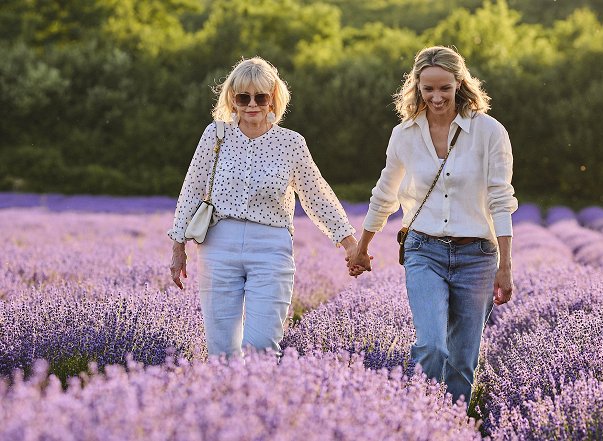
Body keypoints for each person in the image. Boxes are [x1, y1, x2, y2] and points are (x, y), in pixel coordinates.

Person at [347, 46, 518, 406]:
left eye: (445, 88)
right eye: (429, 89)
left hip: (477, 255)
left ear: (460, 84)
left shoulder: (489, 132)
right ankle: (421, 419)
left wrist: (505, 266)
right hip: (424, 250)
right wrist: (362, 246)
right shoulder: (405, 134)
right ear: (417, 87)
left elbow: (501, 200)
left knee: (462, 360)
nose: (437, 97)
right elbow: (384, 194)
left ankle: (451, 424)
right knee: (431, 345)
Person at [168, 57, 358, 358]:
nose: (252, 104)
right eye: (243, 97)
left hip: (271, 248)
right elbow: (192, 189)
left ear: (273, 98)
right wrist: (178, 248)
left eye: (261, 96)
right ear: (232, 99)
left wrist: (349, 244)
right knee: (221, 351)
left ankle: (260, 402)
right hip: (218, 246)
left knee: (262, 348)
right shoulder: (215, 135)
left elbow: (317, 195)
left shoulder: (291, 143)